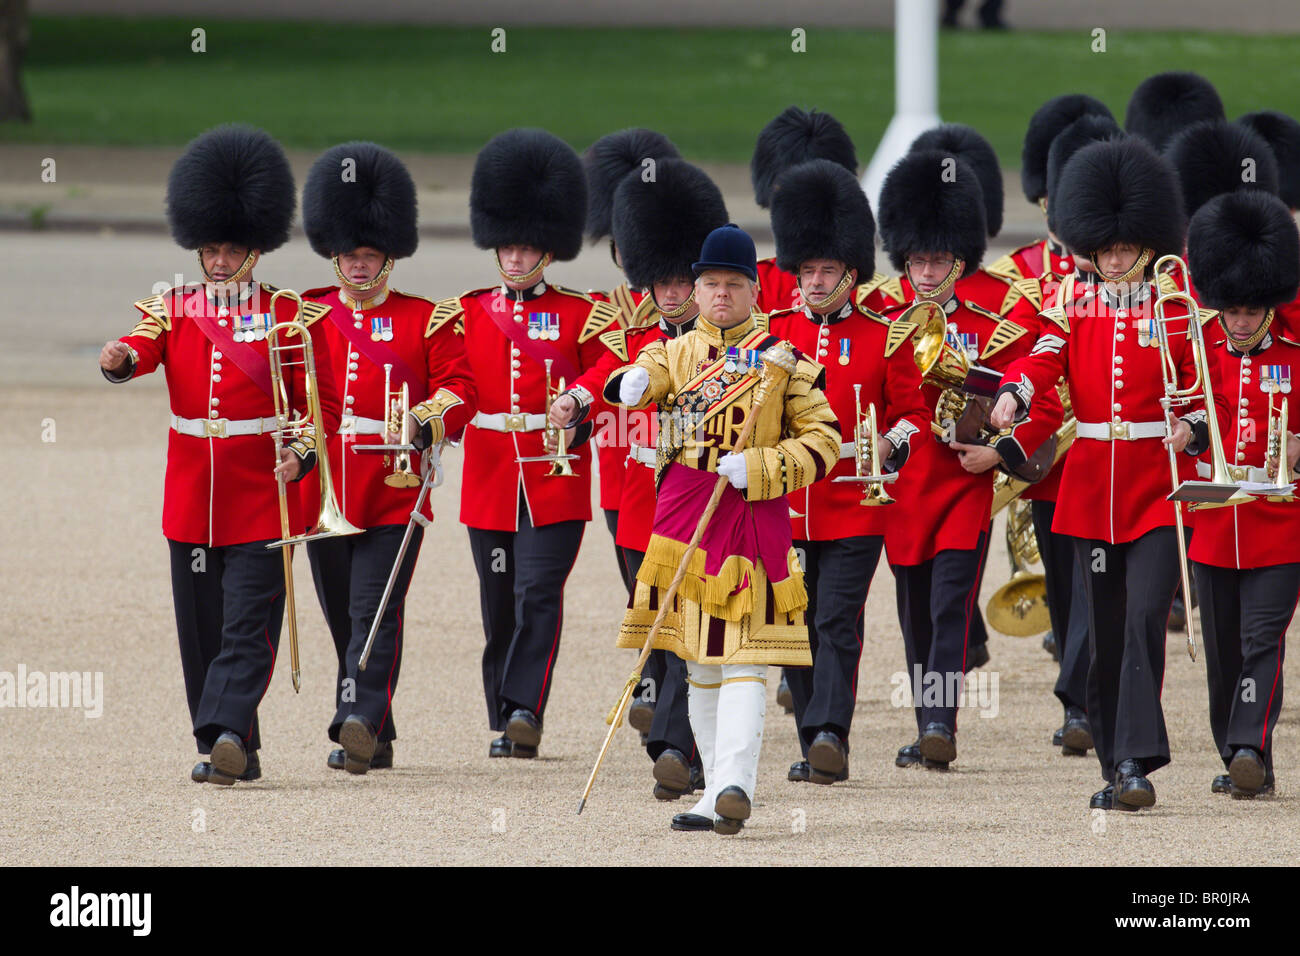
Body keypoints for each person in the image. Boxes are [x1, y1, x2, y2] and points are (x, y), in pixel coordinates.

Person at [990, 136, 1229, 810]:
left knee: (1148, 617)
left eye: (1127, 248)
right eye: (1107, 249)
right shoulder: (1069, 300)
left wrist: (1193, 429)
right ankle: (1112, 757)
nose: (1117, 259)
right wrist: (1015, 395)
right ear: (1092, 246)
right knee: (1104, 626)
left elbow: (1201, 387)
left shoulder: (1176, 302)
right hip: (1092, 486)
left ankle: (1136, 762)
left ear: (1147, 243)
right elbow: (1041, 360)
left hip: (1157, 484)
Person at [98, 124, 341, 785]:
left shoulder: (288, 315)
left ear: (253, 249)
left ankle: (228, 732)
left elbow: (318, 408)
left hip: (264, 491)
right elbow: (141, 345)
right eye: (209, 249)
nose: (218, 260)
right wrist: (120, 360)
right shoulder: (174, 308)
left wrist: (301, 455)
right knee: (202, 630)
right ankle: (235, 744)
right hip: (193, 493)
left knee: (244, 623)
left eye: (230, 249)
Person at [607, 224, 840, 833]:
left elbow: (826, 442)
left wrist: (761, 467)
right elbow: (644, 376)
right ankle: (713, 793)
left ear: (754, 290)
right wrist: (628, 385)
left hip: (750, 518)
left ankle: (737, 782)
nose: (718, 294)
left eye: (732, 284)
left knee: (745, 658)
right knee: (698, 664)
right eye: (709, 283)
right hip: (685, 519)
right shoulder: (674, 352)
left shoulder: (786, 361)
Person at [876, 149, 1061, 772]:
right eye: (917, 259)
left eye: (938, 259)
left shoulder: (1004, 305)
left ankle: (939, 723)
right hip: (903, 483)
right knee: (913, 609)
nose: (926, 272)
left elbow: (1044, 392)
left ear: (961, 255)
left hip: (964, 481)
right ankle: (927, 717)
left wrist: (1000, 451)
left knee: (949, 603)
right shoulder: (880, 308)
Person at [552, 158, 728, 800]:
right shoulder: (633, 337)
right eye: (663, 280)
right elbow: (597, 375)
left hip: (699, 504)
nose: (674, 291)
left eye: (685, 280)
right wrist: (573, 401)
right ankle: (676, 739)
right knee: (655, 620)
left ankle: (677, 746)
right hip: (635, 505)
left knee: (684, 622)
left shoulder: (727, 343)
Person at [299, 142, 477, 773]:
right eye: (350, 253)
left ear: (389, 255)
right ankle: (378, 727)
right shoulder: (307, 315)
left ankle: (354, 719)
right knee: (342, 617)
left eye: (369, 254)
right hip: (324, 487)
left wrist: (428, 424)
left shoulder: (428, 319)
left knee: (373, 610)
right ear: (334, 252)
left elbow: (460, 389)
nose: (358, 264)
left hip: (395, 483)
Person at [766, 159, 928, 785]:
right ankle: (815, 742)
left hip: (857, 502)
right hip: (787, 503)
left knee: (836, 618)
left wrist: (891, 442)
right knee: (794, 622)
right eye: (805, 270)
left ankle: (832, 730)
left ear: (850, 273)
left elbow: (914, 414)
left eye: (825, 269)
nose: (812, 280)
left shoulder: (885, 337)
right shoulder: (774, 334)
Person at [455, 128, 613, 759]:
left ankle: (525, 708)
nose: (516, 259)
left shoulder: (584, 311)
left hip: (555, 472)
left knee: (537, 591)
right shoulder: (465, 311)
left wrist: (577, 397)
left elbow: (608, 370)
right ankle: (504, 711)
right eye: (508, 248)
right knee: (499, 599)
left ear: (548, 250)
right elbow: (453, 382)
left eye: (527, 249)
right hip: (491, 474)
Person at [1185, 190, 1300, 800]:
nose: (1239, 322)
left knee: (1262, 640)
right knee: (1225, 650)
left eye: (1251, 311)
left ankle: (1251, 741)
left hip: (1280, 523)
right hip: (1214, 524)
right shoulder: (1203, 346)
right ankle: (1241, 755)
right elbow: (1205, 413)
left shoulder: (1295, 346)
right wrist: (1187, 431)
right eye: (1229, 311)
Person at [580, 128, 681, 590]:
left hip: (674, 461)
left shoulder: (684, 308)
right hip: (619, 461)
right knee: (639, 599)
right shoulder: (601, 310)